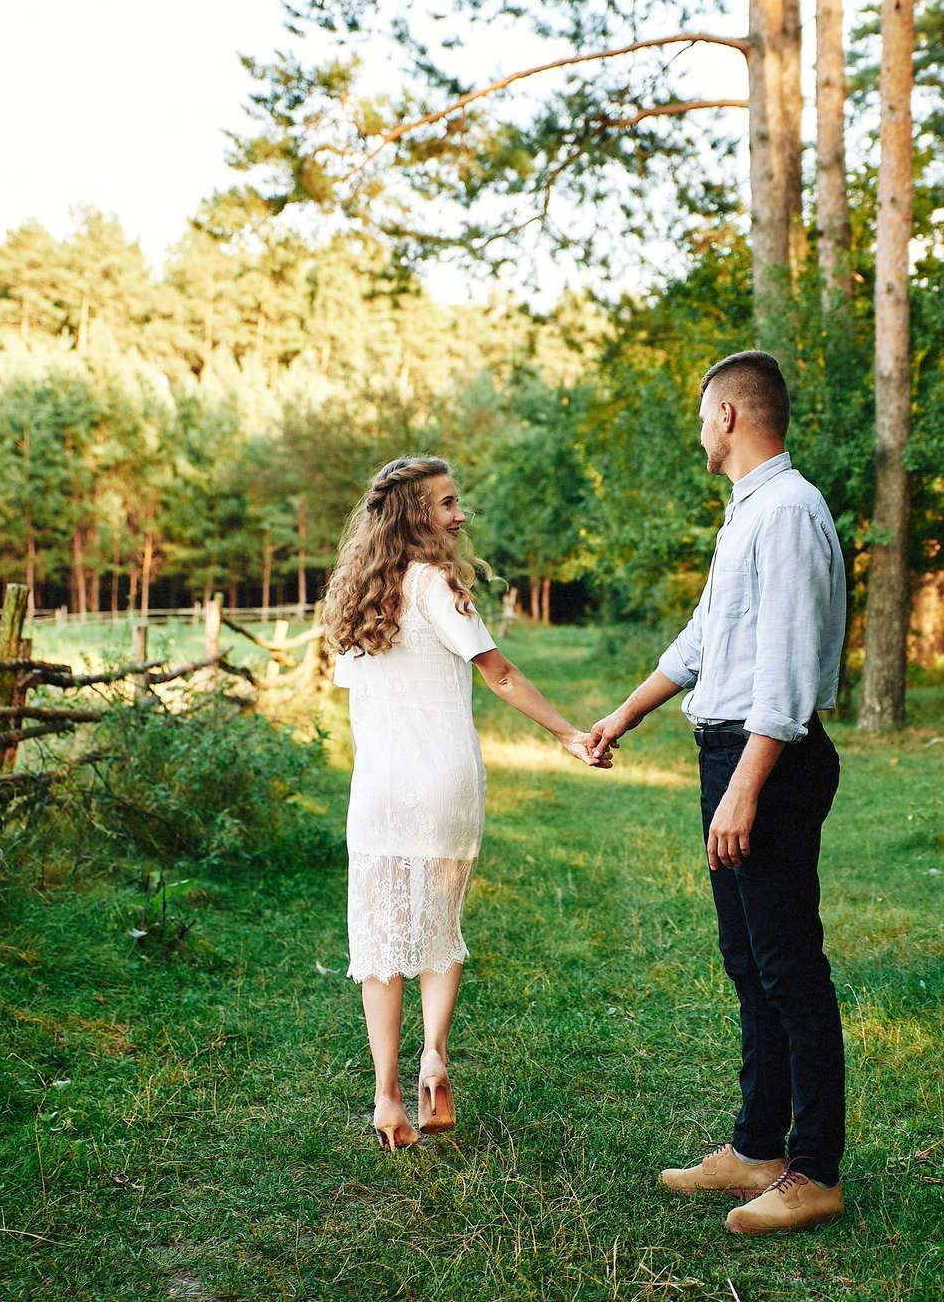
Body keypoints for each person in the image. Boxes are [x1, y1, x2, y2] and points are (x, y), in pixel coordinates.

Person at [587, 351, 848, 1235]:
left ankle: (814, 1169)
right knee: (748, 964)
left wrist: (744, 788)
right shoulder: (747, 515)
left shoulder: (787, 513)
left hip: (767, 761)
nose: (700, 429)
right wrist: (621, 716)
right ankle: (756, 1147)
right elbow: (705, 638)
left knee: (788, 967)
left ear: (729, 416)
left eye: (703, 414)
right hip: (730, 755)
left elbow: (783, 674)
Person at [322, 456, 608, 1149]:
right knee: (439, 930)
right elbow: (499, 672)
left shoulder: (356, 593)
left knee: (379, 942)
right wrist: (570, 733)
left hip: (381, 789)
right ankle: (434, 1058)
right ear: (416, 513)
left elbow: (357, 691)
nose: (459, 515)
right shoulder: (437, 585)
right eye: (448, 503)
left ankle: (387, 1096)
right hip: (444, 780)